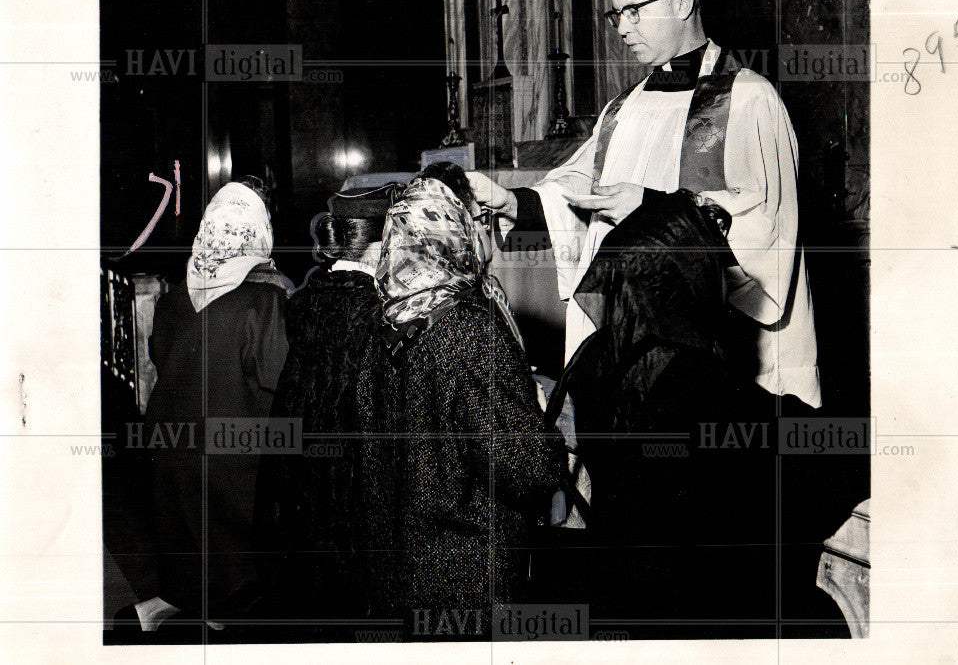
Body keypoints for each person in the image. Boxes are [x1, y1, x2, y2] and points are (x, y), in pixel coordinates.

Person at [468, 0, 821, 523]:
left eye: (634, 10)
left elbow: (769, 222)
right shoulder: (623, 108)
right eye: (615, 12)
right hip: (628, 355)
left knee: (717, 513)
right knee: (636, 504)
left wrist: (654, 209)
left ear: (683, 1)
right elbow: (573, 188)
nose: (621, 27)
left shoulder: (748, 99)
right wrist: (516, 201)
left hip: (713, 357)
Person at [549, 187, 780, 636]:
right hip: (683, 594)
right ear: (682, 276)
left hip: (612, 578)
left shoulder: (594, 356)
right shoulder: (693, 375)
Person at [353, 163, 565, 640]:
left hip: (401, 575)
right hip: (468, 581)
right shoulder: (467, 330)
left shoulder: (378, 324)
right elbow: (525, 468)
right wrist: (549, 440)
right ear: (454, 235)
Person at [139, 178, 292, 635]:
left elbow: (159, 357)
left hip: (171, 449)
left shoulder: (178, 293)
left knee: (191, 551)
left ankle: (173, 609)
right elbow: (277, 380)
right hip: (233, 456)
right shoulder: (267, 298)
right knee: (240, 572)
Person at [254, 184, 400, 640]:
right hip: (351, 476)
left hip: (295, 468)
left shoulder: (301, 297)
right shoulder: (382, 309)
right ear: (380, 245)